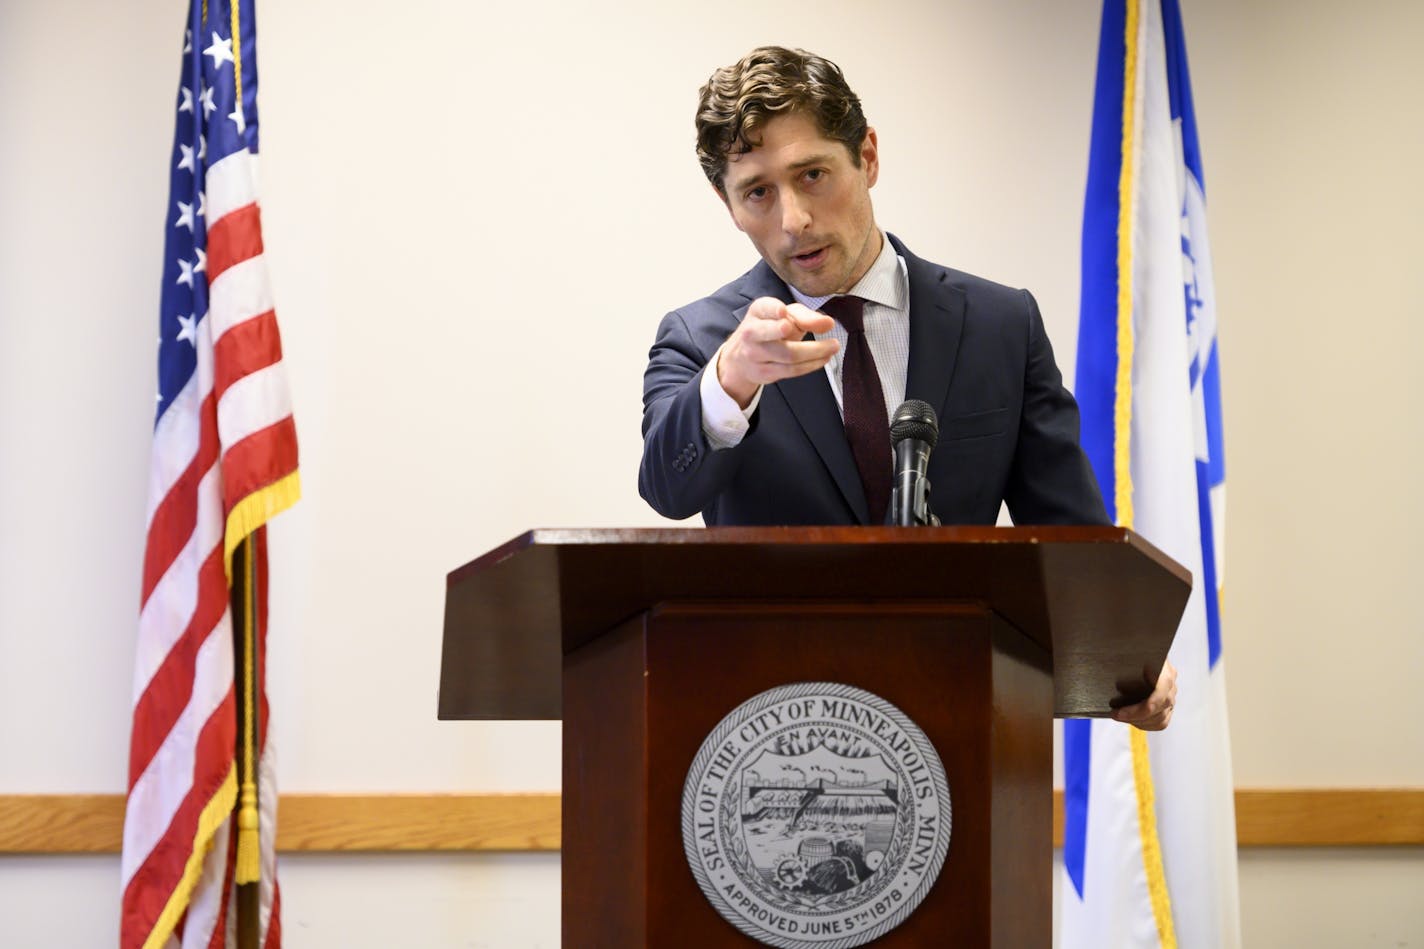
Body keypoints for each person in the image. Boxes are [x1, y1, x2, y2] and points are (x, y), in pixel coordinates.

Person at [638, 46, 1174, 731]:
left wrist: (1125, 661)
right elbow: (667, 486)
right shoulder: (702, 339)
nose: (793, 218)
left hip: (961, 727)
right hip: (770, 733)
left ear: (867, 156)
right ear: (727, 203)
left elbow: (1071, 535)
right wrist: (733, 378)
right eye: (758, 191)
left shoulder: (1001, 325)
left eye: (812, 174)